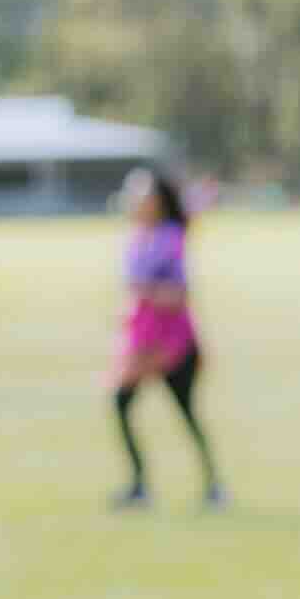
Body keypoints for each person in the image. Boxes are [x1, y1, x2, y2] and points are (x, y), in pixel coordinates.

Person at [109, 167, 225, 509]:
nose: (135, 201)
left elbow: (179, 295)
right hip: (142, 339)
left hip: (172, 342)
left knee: (185, 414)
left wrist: (145, 292)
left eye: (141, 195)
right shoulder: (137, 237)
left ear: (157, 201)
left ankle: (213, 486)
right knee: (121, 404)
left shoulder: (169, 239)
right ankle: (139, 484)